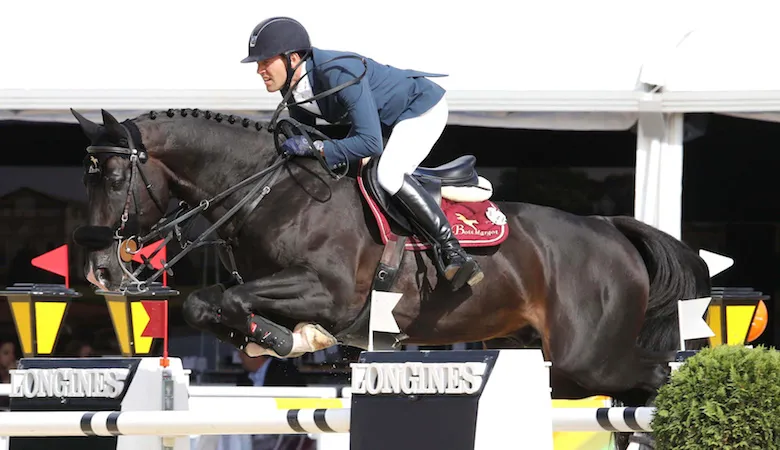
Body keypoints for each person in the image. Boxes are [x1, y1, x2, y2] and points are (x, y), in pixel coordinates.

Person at [240, 16, 483, 290]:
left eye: (264, 61)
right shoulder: (293, 87)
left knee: (389, 175)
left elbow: (369, 143)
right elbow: (304, 138)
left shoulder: (337, 72)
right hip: (387, 122)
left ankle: (453, 252)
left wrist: (318, 148)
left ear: (292, 58)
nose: (259, 70)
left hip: (421, 109)